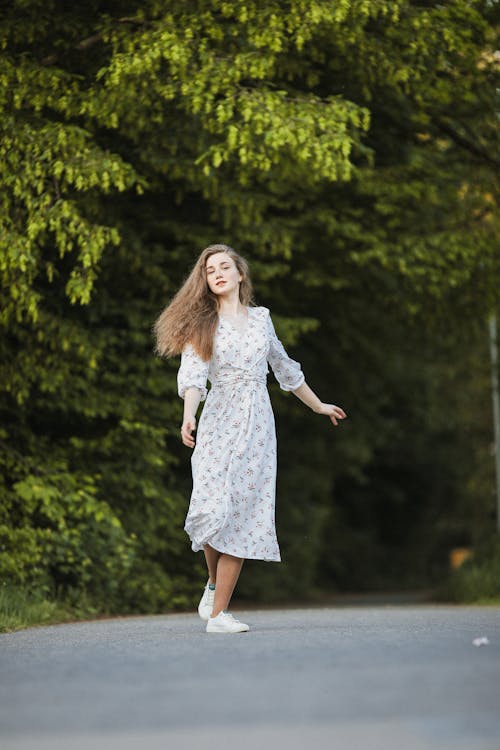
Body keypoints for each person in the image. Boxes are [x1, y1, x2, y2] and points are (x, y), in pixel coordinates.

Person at [154, 244, 346, 634]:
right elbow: (192, 375)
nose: (218, 273)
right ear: (205, 282)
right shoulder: (201, 324)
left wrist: (317, 405)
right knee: (211, 507)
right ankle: (211, 583)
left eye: (225, 267)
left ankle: (219, 614)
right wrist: (188, 415)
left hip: (256, 425)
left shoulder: (262, 320)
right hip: (218, 419)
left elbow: (284, 368)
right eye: (210, 270)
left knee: (240, 513)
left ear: (240, 275)